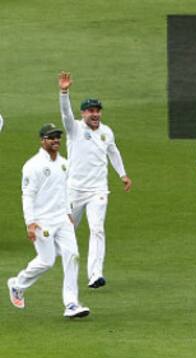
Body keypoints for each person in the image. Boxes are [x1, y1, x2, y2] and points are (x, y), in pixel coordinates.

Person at [7, 123, 90, 318]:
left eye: (58, 137)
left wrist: (69, 211)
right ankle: (17, 284)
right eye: (51, 138)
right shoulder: (32, 165)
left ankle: (71, 304)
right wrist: (30, 222)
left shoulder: (64, 163)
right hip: (41, 221)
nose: (56, 141)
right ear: (42, 140)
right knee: (47, 261)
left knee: (73, 256)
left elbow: (65, 190)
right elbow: (27, 195)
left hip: (62, 219)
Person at [58, 72, 132, 289]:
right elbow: (65, 114)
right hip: (74, 189)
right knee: (67, 230)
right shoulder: (74, 129)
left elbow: (113, 152)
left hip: (98, 190)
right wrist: (64, 92)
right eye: (91, 111)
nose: (95, 114)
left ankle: (95, 274)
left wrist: (123, 174)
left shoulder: (106, 132)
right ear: (83, 113)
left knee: (97, 229)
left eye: (98, 111)